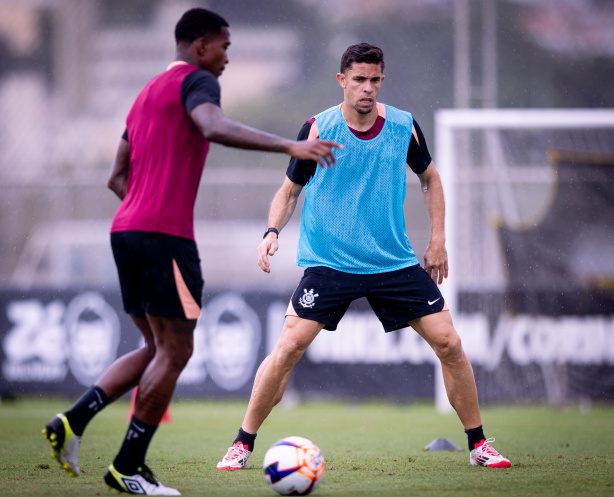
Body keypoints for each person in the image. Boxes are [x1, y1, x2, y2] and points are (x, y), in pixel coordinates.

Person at [42, 8, 340, 496]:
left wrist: (142, 209)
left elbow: (116, 176)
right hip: (163, 235)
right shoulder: (198, 82)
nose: (227, 57)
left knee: (155, 348)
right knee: (178, 349)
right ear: (201, 45)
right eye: (224, 46)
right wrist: (291, 146)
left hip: (126, 231)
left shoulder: (146, 93)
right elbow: (212, 127)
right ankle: (128, 467)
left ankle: (72, 421)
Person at [217, 43, 511, 472]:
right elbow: (289, 190)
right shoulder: (317, 129)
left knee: (450, 343)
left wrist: (438, 240)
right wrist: (271, 232)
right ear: (342, 81)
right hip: (330, 262)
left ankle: (479, 445)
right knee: (288, 347)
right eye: (359, 80)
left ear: (382, 81)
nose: (367, 88)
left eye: (374, 80)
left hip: (392, 262)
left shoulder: (404, 127)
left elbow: (430, 178)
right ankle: (242, 444)